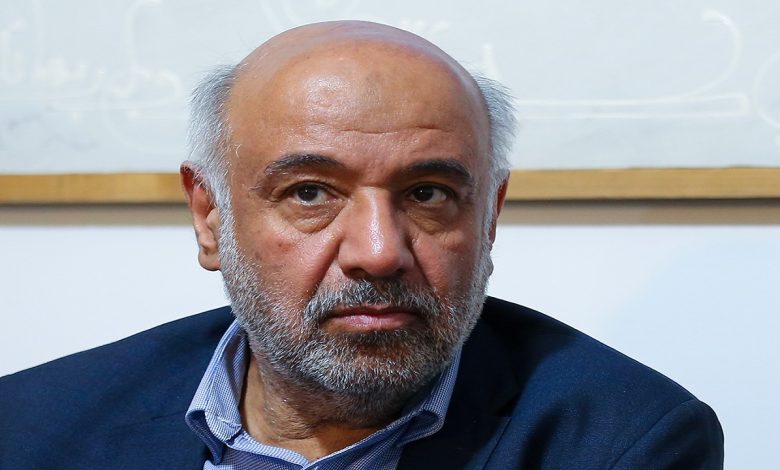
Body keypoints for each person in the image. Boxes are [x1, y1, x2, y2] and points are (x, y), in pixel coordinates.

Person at [0, 20, 723, 469]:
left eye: (428, 194)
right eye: (310, 193)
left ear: (489, 219)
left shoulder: (625, 443)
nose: (378, 253)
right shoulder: (30, 426)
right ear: (211, 216)